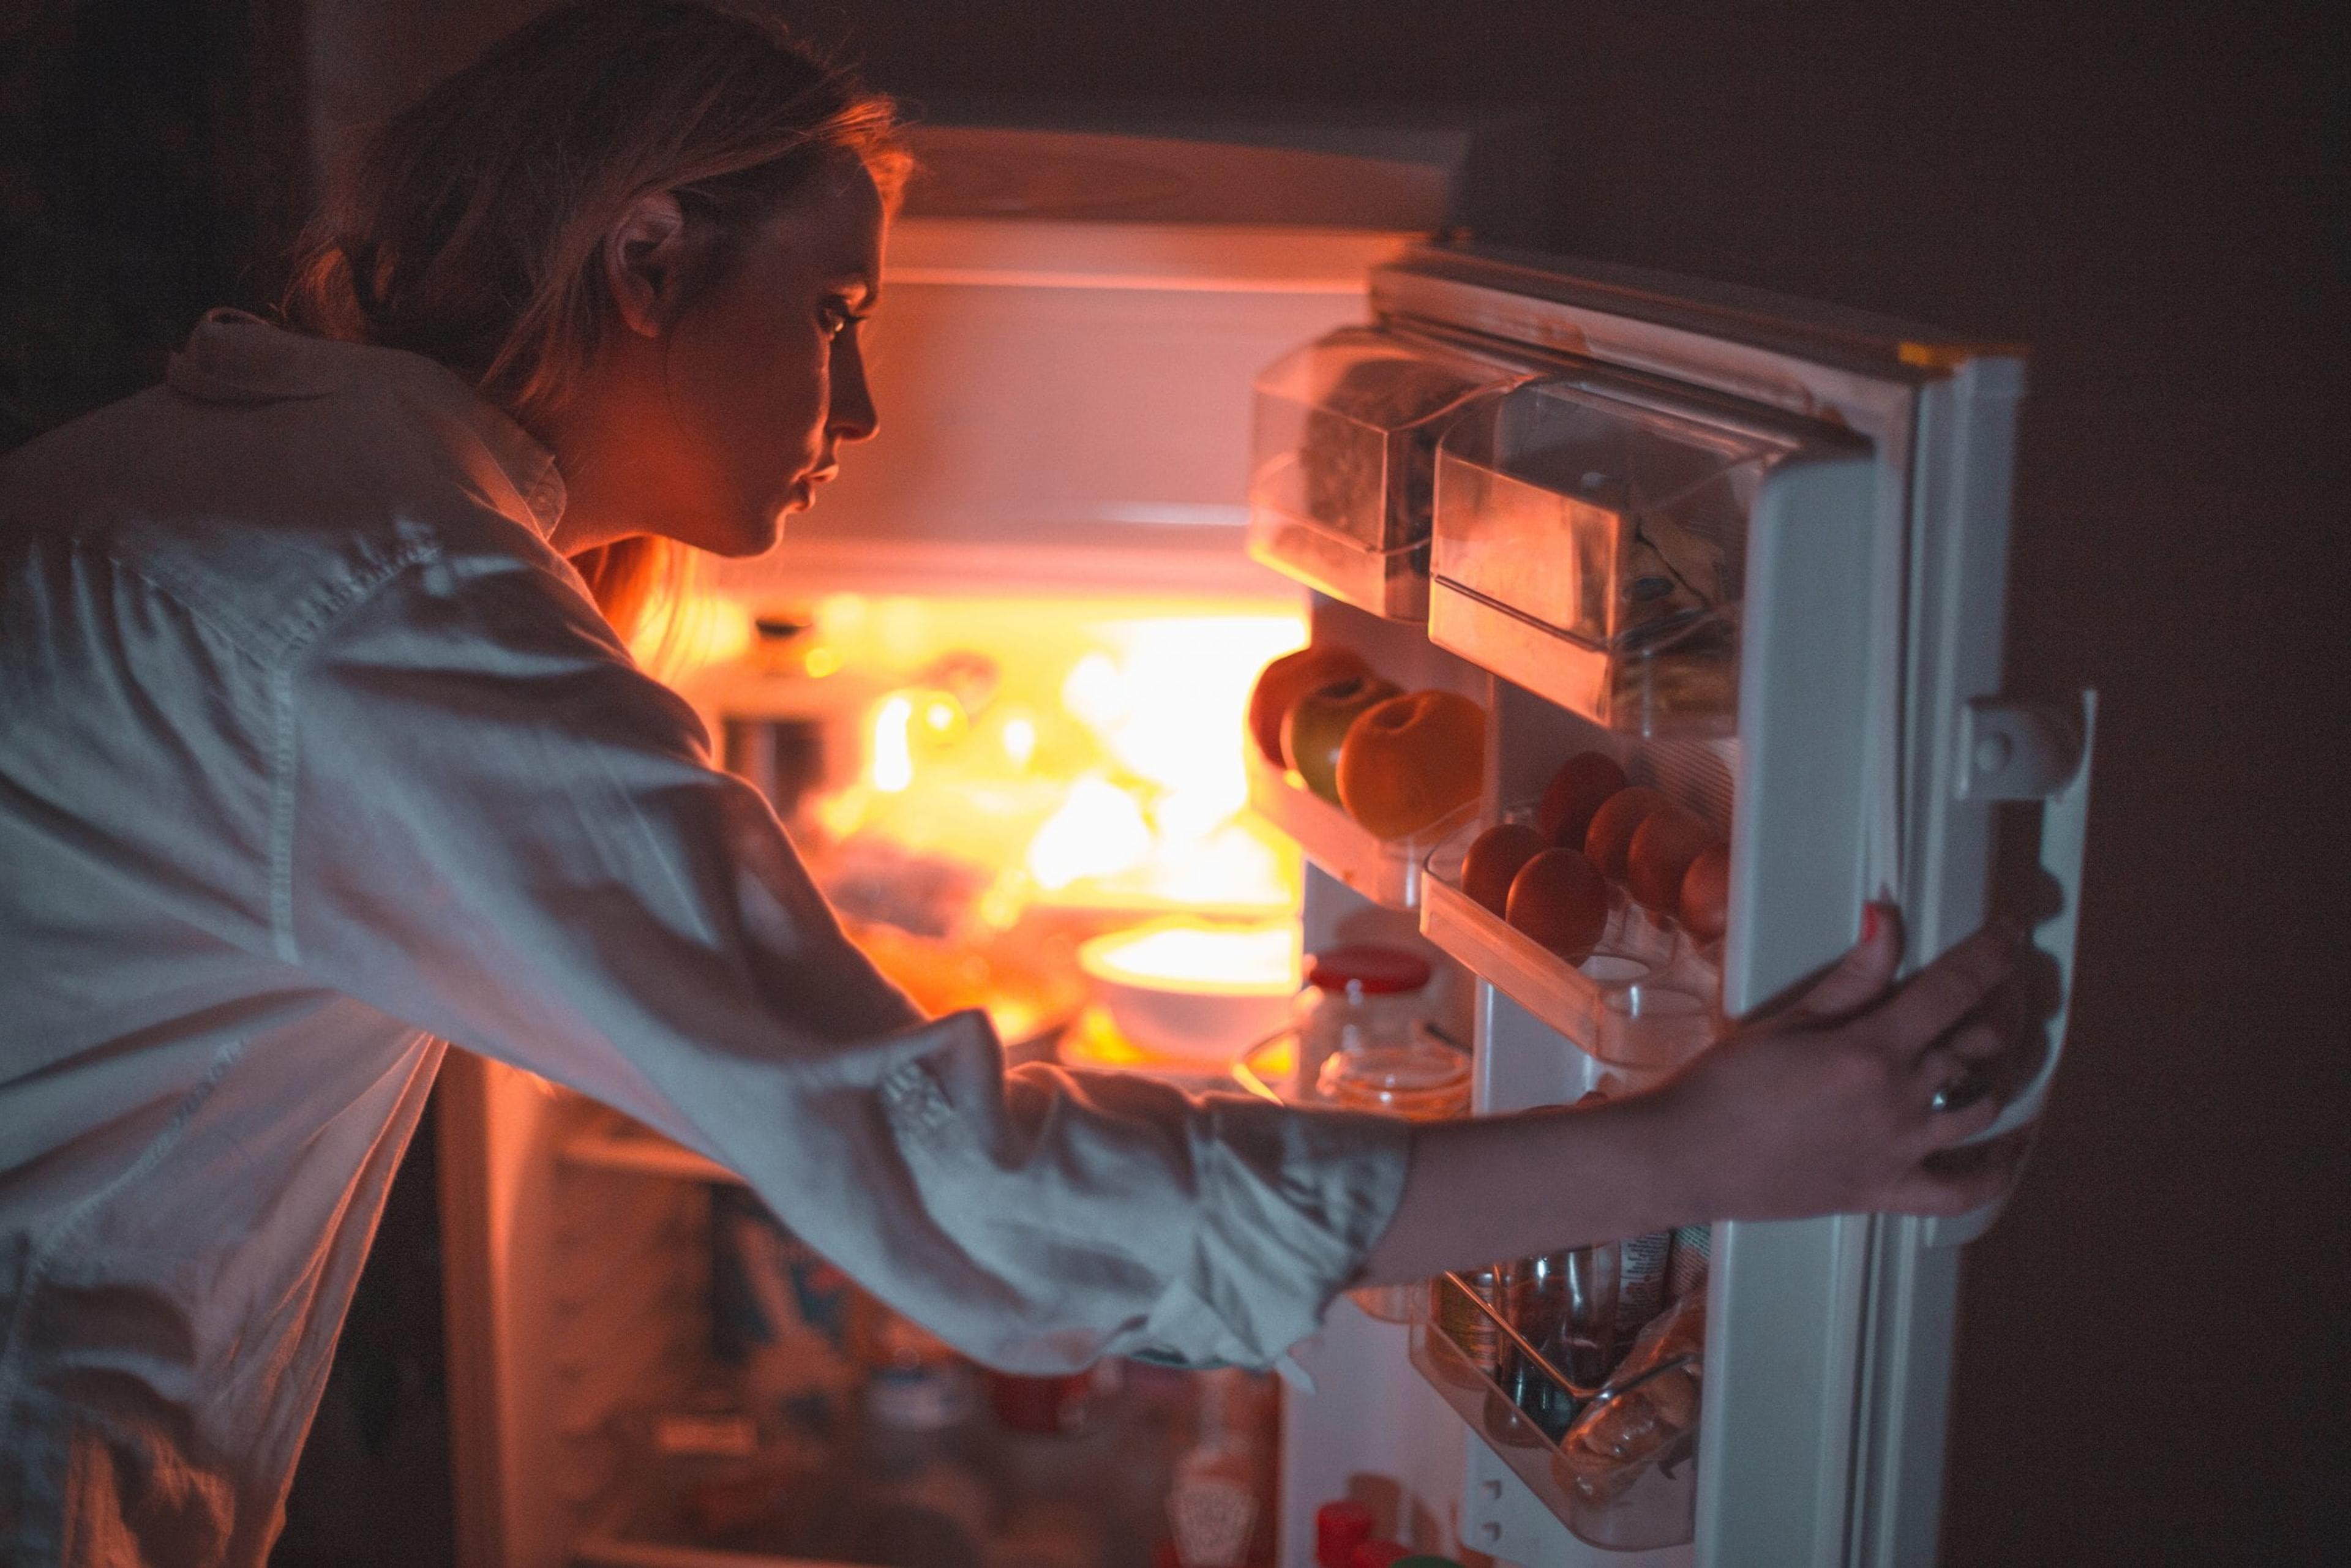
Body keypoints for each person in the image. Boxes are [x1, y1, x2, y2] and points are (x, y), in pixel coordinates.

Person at [0, 2, 2028, 1562]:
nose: (859, 402)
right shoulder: (391, 611)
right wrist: (1684, 1152)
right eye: (832, 313)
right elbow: (946, 1191)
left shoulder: (253, 475)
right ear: (641, 255)